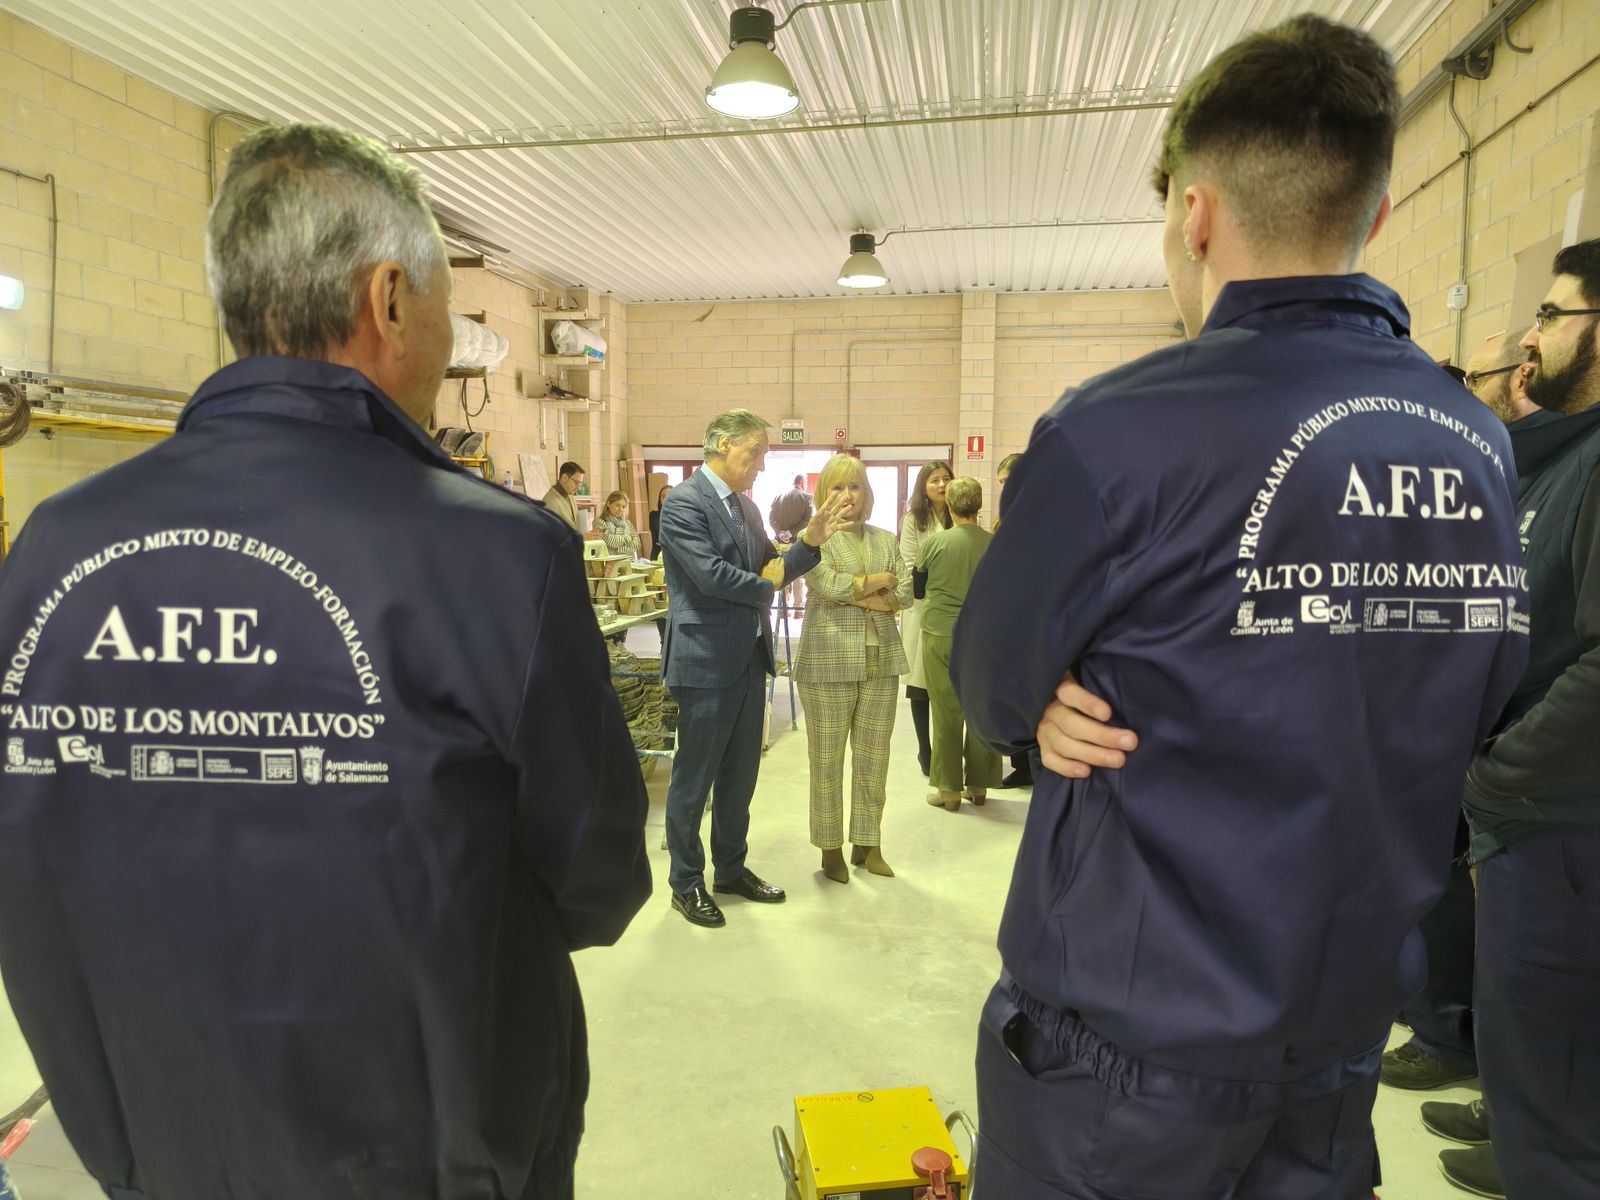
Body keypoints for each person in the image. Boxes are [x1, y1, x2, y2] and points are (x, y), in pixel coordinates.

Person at [0, 123, 650, 1200]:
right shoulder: (493, 552)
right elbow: (599, 880)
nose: (453, 343)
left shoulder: (51, 550)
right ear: (389, 300)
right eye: (453, 309)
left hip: (157, 1133)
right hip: (434, 1146)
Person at [949, 18, 1528, 1198]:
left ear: (1196, 215)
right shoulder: (1472, 439)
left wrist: (1041, 710)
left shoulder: (1113, 428)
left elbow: (996, 680)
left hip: (1127, 1039)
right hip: (1340, 1019)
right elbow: (1474, 693)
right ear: (1367, 217)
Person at [1424, 239, 1600, 1200]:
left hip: (1559, 819)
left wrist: (1501, 769)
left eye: (1554, 314)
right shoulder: (1563, 461)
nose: (1535, 337)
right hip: (1529, 812)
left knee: (1560, 1098)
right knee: (1534, 1060)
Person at [1381, 338, 1538, 1096]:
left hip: (1482, 732)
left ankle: (1446, 1029)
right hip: (1437, 715)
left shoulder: (1501, 465)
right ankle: (1432, 1014)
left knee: (1444, 885)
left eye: (1477, 377)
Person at [657, 410, 847, 927]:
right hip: (704, 662)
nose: (762, 464)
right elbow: (712, 576)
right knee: (694, 781)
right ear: (721, 444)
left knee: (740, 778)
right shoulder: (682, 504)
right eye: (755, 452)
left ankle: (731, 870)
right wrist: (765, 584)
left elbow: (776, 562)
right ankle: (686, 882)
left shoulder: (745, 507)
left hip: (748, 657)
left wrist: (810, 541)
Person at [791, 455, 913, 883]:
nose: (848, 497)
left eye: (856, 487)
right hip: (827, 662)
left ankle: (868, 842)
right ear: (824, 494)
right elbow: (828, 584)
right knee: (826, 760)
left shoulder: (884, 538)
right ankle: (830, 849)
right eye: (838, 488)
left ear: (867, 493)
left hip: (881, 663)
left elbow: (908, 591)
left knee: (874, 758)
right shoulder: (814, 541)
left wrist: (864, 588)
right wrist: (882, 583)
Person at [914, 477, 999, 813]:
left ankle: (949, 791)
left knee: (946, 710)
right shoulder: (996, 544)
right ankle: (979, 787)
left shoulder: (934, 544)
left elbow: (918, 590)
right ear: (978, 507)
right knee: (980, 708)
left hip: (941, 633)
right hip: (985, 635)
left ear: (949, 507)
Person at [898, 460, 952, 776]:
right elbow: (908, 566)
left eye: (946, 478)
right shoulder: (914, 520)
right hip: (923, 607)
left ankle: (947, 749)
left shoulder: (963, 515)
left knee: (949, 685)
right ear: (924, 487)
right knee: (921, 684)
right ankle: (925, 750)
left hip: (956, 609)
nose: (942, 485)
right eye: (934, 480)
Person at [993, 451, 1032, 791]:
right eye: (1001, 482)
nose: (1004, 487)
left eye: (1009, 481)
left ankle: (1034, 767)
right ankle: (1023, 766)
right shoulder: (1006, 517)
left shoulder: (1039, 514)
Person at [595, 490, 642, 558]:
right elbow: (607, 540)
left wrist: (618, 549)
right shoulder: (600, 522)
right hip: (609, 565)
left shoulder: (628, 523)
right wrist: (627, 538)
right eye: (617, 505)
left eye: (623, 506)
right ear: (608, 504)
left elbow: (637, 544)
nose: (620, 509)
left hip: (628, 562)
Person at [769, 473, 813, 543]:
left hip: (778, 542)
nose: (806, 486)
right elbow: (808, 521)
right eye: (806, 483)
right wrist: (788, 534)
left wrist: (779, 533)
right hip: (796, 543)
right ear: (802, 482)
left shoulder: (778, 496)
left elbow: (771, 519)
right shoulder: (807, 497)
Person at [543, 460, 585, 530]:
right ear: (564, 477)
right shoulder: (550, 502)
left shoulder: (570, 495)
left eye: (580, 484)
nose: (578, 488)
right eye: (577, 483)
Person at [649, 483, 672, 560]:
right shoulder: (654, 515)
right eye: (663, 496)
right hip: (658, 555)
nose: (666, 498)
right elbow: (658, 536)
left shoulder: (681, 515)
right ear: (660, 500)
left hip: (676, 556)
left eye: (669, 495)